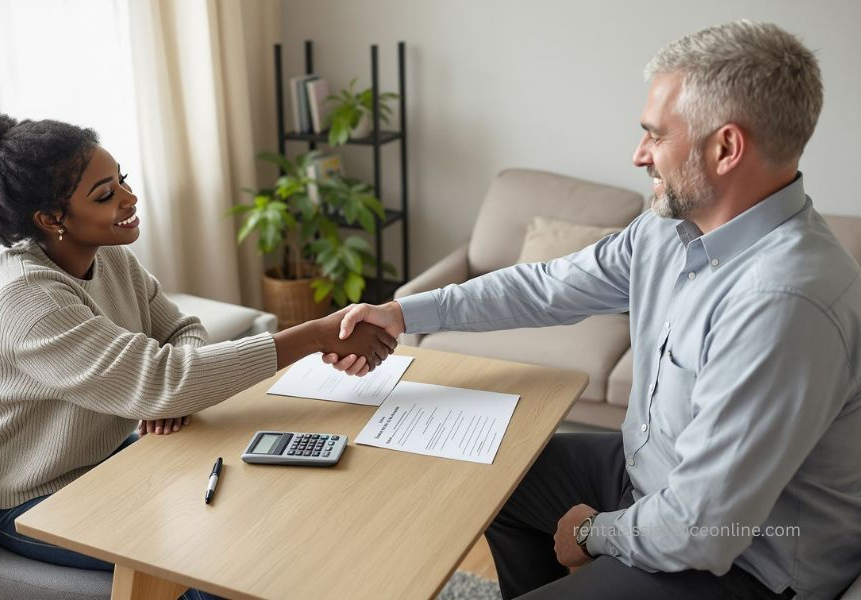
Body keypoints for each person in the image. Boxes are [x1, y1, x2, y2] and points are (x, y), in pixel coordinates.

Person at [324, 21, 861, 599]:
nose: (639, 155)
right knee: (500, 485)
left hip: (749, 562)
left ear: (725, 148)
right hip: (656, 481)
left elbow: (700, 530)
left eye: (655, 135)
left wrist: (591, 532)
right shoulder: (668, 229)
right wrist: (402, 314)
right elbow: (548, 286)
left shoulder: (784, 303)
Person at [0, 91, 396, 600]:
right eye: (104, 195)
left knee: (262, 520)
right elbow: (162, 380)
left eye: (122, 180)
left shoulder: (108, 256)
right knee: (219, 571)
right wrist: (313, 334)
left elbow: (181, 333)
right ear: (50, 218)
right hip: (35, 499)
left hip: (118, 458)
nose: (129, 198)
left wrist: (167, 398)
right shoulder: (27, 299)